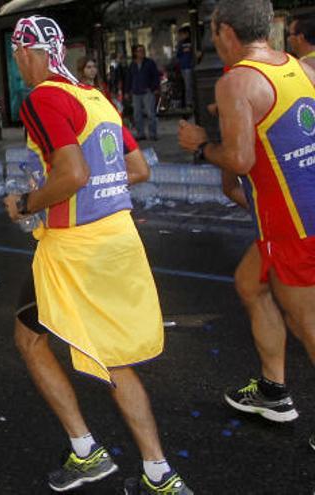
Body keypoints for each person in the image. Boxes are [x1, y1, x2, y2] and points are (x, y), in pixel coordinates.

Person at [7, 16, 193, 494]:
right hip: (118, 240)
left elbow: (73, 174)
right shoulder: (96, 98)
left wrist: (26, 203)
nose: (18, 66)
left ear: (27, 54)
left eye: (17, 56)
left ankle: (87, 451)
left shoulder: (43, 98)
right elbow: (135, 169)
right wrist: (73, 186)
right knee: (112, 358)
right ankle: (159, 474)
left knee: (32, 343)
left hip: (74, 251)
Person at [177, 0, 315, 452]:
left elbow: (239, 160)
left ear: (224, 32)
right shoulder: (294, 66)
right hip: (297, 214)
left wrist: (200, 145)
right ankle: (273, 392)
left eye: (213, 33)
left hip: (292, 226)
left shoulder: (237, 80)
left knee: (307, 322)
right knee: (248, 284)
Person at [126, 45, 160, 140]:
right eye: (139, 51)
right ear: (135, 53)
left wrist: (154, 88)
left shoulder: (149, 63)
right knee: (137, 114)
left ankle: (153, 133)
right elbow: (129, 78)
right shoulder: (132, 64)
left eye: (143, 51)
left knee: (150, 113)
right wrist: (127, 91)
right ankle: (141, 133)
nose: (142, 53)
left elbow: (155, 76)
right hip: (136, 92)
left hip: (147, 91)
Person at [175, 27, 195, 108]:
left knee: (188, 85)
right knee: (188, 85)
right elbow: (178, 55)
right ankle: (189, 102)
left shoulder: (190, 42)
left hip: (188, 66)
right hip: (184, 66)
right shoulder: (180, 44)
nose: (180, 36)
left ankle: (189, 102)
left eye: (181, 34)